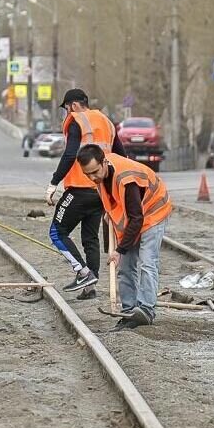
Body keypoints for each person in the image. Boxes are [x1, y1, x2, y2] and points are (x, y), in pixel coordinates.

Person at [76, 144, 173, 329]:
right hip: (135, 215)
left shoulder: (126, 179)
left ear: (104, 162)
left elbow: (137, 219)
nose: (92, 177)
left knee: (147, 262)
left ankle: (146, 310)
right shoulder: (101, 177)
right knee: (125, 266)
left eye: (95, 172)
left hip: (154, 210)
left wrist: (120, 250)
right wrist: (112, 251)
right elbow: (111, 211)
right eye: (87, 174)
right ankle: (129, 311)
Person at [45, 88, 128, 301]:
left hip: (80, 189)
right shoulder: (107, 122)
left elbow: (71, 153)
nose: (66, 113)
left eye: (66, 108)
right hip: (100, 190)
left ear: (72, 105)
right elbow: (121, 155)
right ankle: (90, 287)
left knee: (57, 232)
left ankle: (83, 273)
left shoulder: (76, 120)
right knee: (89, 237)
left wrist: (54, 182)